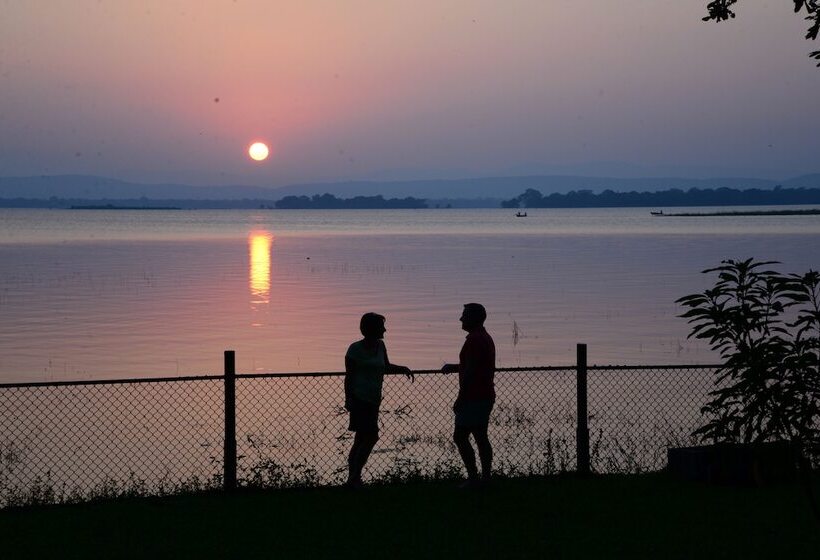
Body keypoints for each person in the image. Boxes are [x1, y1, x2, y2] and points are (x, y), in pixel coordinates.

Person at [344, 312, 413, 488]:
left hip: (374, 400)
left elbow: (386, 367)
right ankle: (354, 477)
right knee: (371, 437)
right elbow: (349, 377)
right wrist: (349, 400)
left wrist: (403, 368)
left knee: (361, 438)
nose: (385, 329)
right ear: (372, 328)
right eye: (381, 326)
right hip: (359, 399)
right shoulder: (354, 349)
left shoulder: (381, 346)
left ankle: (353, 479)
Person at [442, 303, 496, 488]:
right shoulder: (484, 337)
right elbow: (475, 366)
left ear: (474, 318)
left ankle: (474, 477)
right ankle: (484, 478)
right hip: (484, 394)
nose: (461, 319)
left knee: (461, 436)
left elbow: (471, 372)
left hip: (474, 396)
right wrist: (455, 367)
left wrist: (460, 398)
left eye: (464, 315)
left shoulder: (474, 340)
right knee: (480, 436)